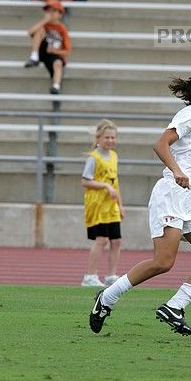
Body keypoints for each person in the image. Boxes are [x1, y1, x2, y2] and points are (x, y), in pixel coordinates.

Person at [88, 67, 191, 336]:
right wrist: (176, 171)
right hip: (170, 196)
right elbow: (161, 143)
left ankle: (175, 307)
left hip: (187, 200)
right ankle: (106, 298)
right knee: (164, 262)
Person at [81, 119, 125, 288]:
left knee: (116, 240)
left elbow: (116, 183)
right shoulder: (94, 158)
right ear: (98, 138)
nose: (110, 141)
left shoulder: (114, 156)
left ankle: (111, 275)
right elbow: (85, 181)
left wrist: (120, 204)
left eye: (113, 138)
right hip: (98, 205)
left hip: (111, 206)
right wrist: (105, 186)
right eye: (107, 137)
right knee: (102, 239)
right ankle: (90, 276)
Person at [24, 0, 72, 94]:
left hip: (53, 54)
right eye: (48, 11)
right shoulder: (43, 25)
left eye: (53, 11)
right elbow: (30, 32)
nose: (50, 13)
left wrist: (54, 51)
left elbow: (67, 50)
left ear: (59, 14)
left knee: (58, 63)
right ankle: (34, 57)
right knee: (40, 30)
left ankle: (56, 86)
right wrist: (44, 21)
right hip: (43, 50)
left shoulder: (62, 29)